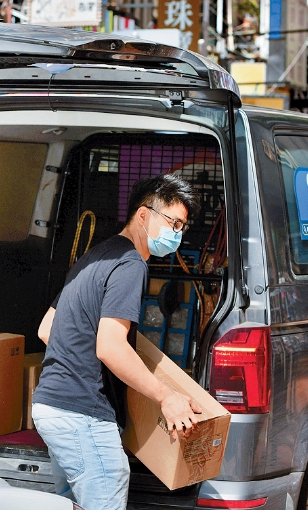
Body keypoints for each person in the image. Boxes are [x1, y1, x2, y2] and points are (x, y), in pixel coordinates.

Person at [31, 173, 203, 510]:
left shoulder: (97, 256)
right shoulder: (129, 265)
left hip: (51, 408)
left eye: (182, 227)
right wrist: (166, 396)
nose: (177, 234)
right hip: (83, 416)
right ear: (143, 215)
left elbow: (48, 328)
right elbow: (110, 347)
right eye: (173, 222)